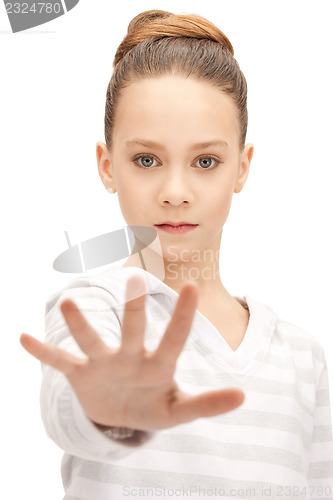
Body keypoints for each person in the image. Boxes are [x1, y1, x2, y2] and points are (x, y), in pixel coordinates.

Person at [20, 9, 333, 500]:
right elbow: (69, 411)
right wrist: (105, 409)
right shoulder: (92, 310)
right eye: (147, 159)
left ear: (242, 168)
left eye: (205, 161)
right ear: (107, 166)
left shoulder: (301, 357)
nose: (175, 191)